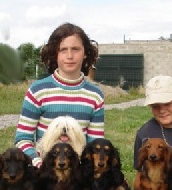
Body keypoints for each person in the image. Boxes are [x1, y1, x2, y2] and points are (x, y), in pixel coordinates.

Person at [14, 22, 105, 168]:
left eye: (75, 49)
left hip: (78, 174)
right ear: (54, 54)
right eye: (63, 50)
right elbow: (22, 140)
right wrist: (39, 165)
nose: (69, 56)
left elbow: (96, 144)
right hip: (43, 174)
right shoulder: (37, 90)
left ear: (86, 52)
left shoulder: (95, 95)